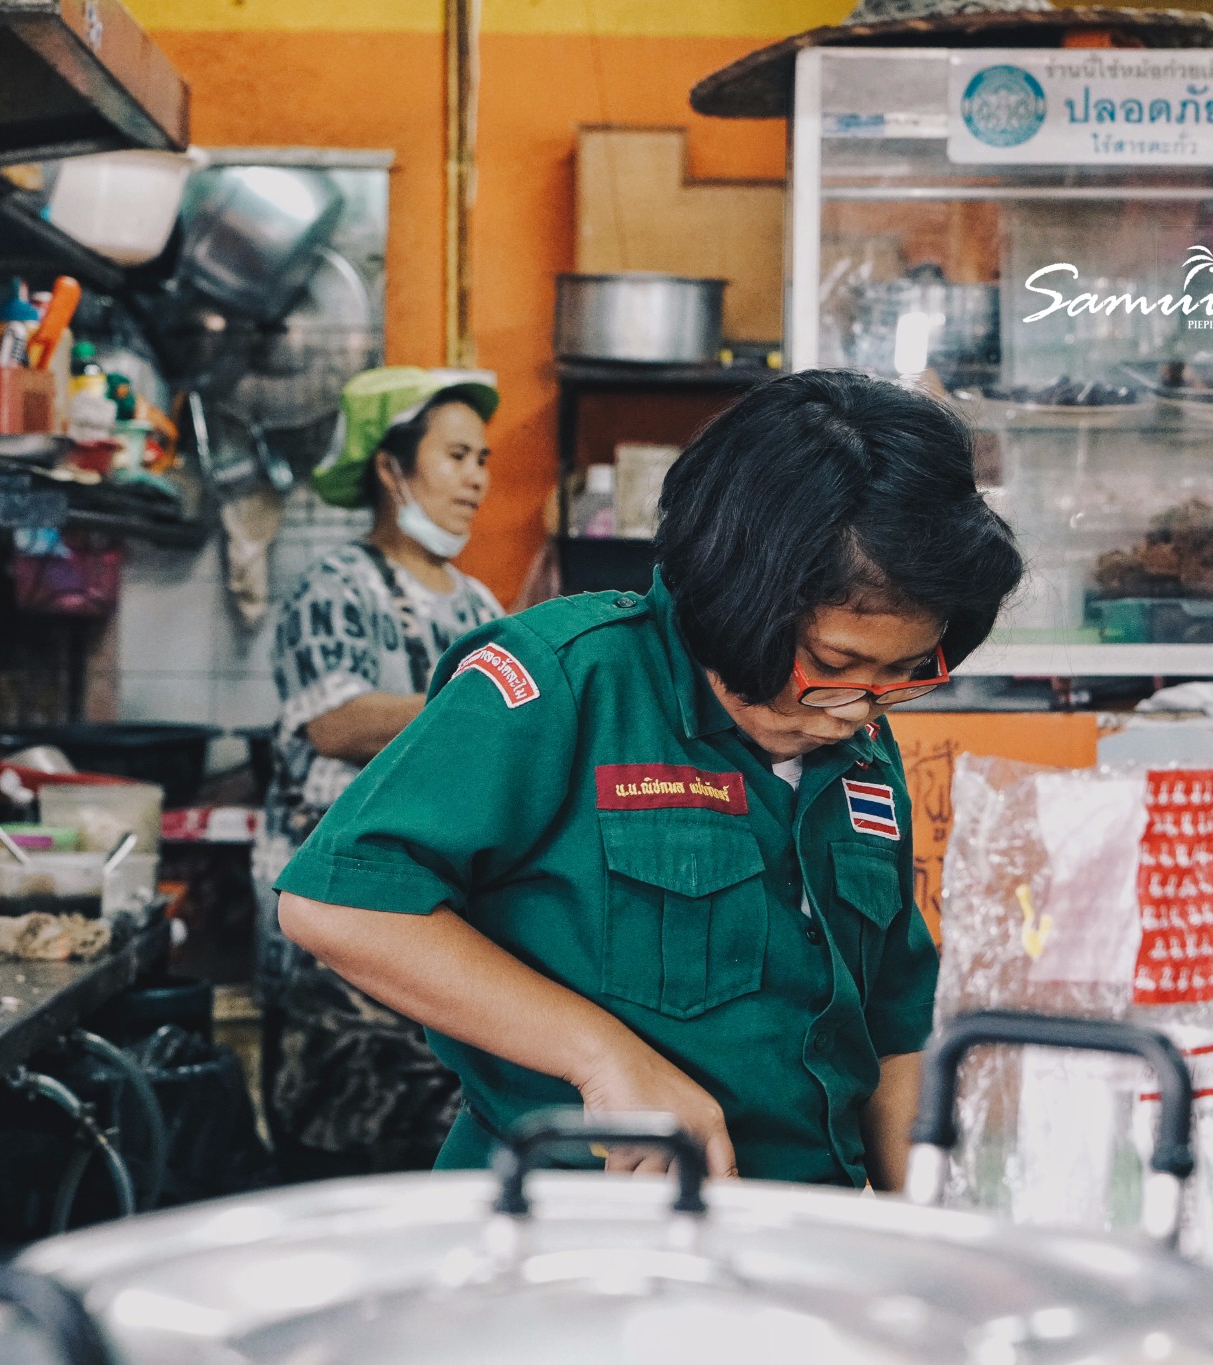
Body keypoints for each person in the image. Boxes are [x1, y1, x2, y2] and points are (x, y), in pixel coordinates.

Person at [277, 369, 1023, 1187]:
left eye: (905, 672)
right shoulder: (566, 681)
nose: (856, 709)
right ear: (740, 593)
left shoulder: (863, 753)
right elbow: (340, 902)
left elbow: (891, 1027)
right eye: (834, 662)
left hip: (795, 1241)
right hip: (574, 1232)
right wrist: (603, 1059)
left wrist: (925, 1224)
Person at [253, 366, 504, 1179]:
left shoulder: (478, 606)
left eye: (484, 459)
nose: (477, 477)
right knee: (345, 1164)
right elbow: (340, 721)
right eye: (457, 455)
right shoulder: (333, 588)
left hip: (441, 921)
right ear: (391, 468)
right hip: (336, 932)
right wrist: (485, 711)